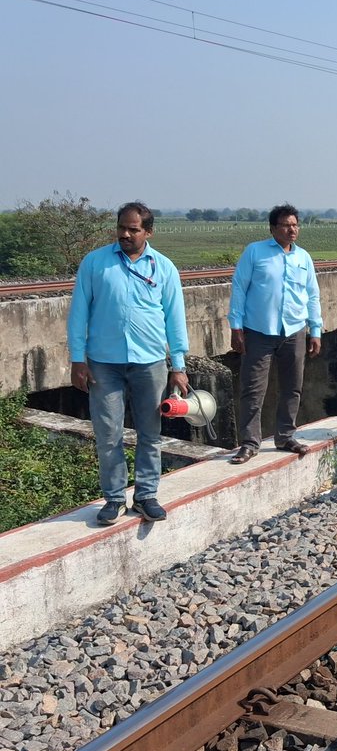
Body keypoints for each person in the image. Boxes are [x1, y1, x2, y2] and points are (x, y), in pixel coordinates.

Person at [67, 201, 190, 524]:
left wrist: (178, 365)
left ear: (147, 232)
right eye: (121, 227)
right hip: (103, 363)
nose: (125, 234)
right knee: (108, 433)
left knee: (150, 432)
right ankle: (114, 498)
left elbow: (175, 319)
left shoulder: (163, 268)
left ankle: (146, 494)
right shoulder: (95, 264)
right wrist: (77, 359)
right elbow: (78, 313)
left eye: (132, 229)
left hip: (149, 361)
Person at [228, 203, 323, 464]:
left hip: (294, 330)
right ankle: (249, 442)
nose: (292, 230)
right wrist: (236, 326)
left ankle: (285, 436)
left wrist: (316, 329)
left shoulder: (303, 258)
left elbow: (312, 295)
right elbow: (239, 288)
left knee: (293, 386)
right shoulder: (255, 252)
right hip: (258, 329)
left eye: (295, 225)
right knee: (253, 388)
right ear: (273, 229)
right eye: (286, 225)